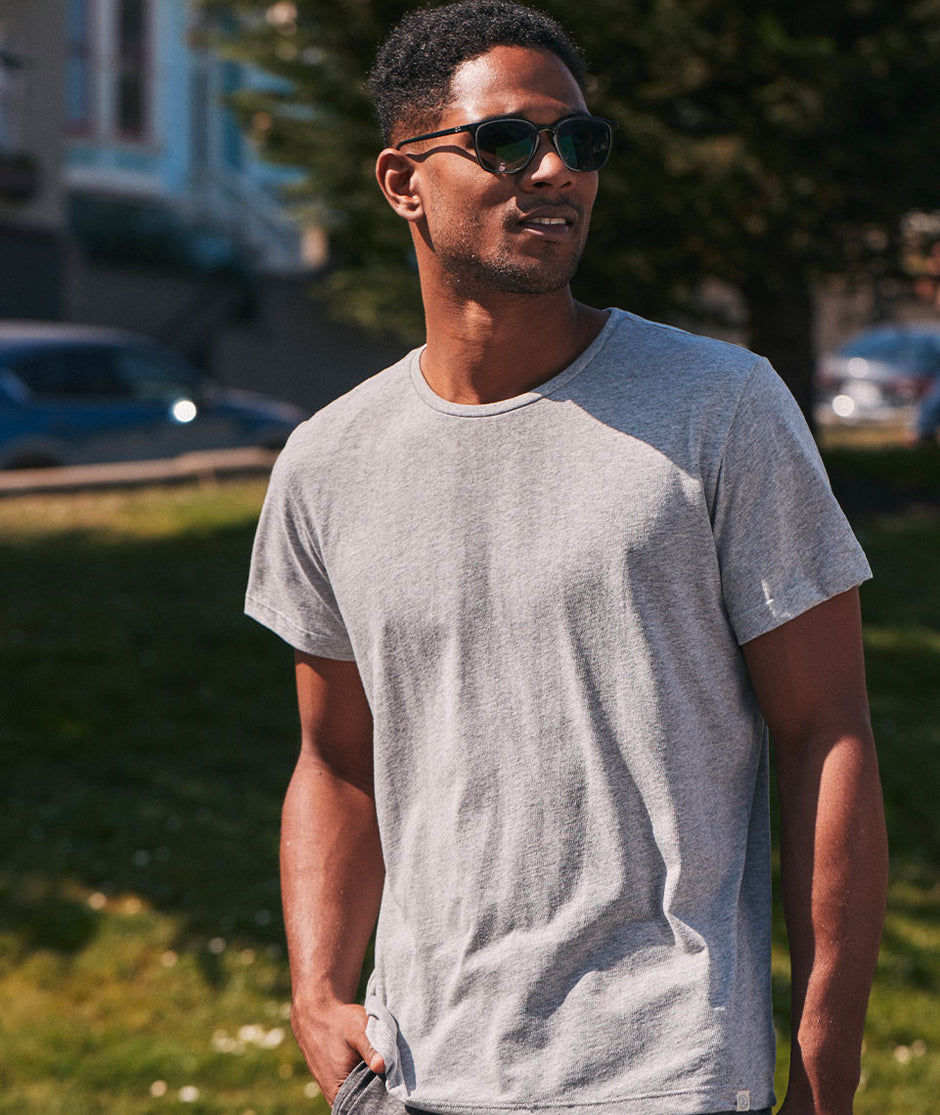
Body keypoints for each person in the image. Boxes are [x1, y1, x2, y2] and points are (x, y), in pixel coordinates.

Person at [245, 3, 888, 1113]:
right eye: (505, 141)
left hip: (665, 1073)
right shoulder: (327, 459)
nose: (554, 170)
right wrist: (314, 990)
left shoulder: (721, 407)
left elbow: (825, 731)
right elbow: (336, 758)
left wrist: (826, 1062)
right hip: (415, 1075)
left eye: (580, 142)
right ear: (402, 181)